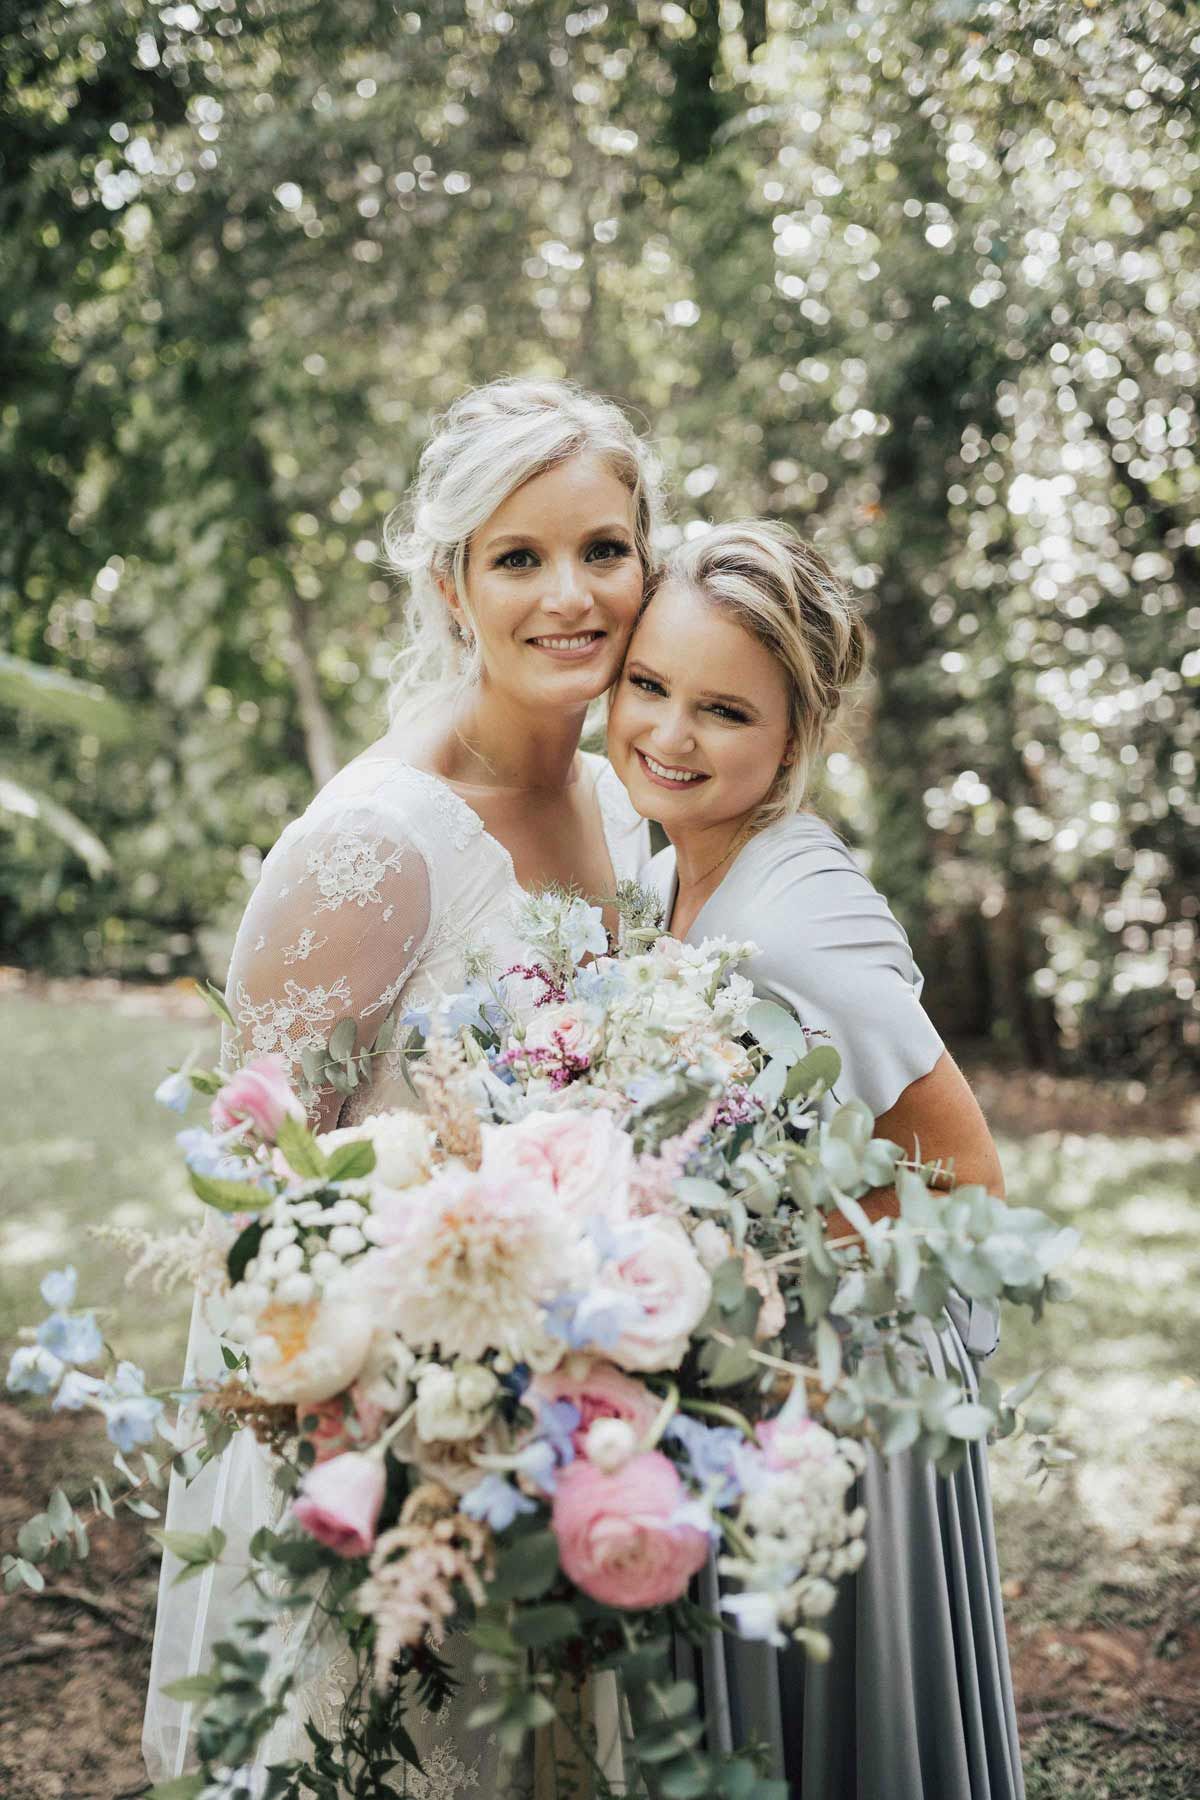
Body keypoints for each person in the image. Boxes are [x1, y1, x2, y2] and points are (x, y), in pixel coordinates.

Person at [143, 377, 663, 1796]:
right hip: (410, 1462)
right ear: (451, 586)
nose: (573, 594)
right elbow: (252, 1212)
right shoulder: (373, 848)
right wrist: (417, 1413)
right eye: (519, 557)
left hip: (579, 1442)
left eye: (604, 549)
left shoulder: (628, 799)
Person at [606, 519, 1024, 1800]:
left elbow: (974, 1193)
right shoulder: (647, 862)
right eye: (648, 687)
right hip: (725, 1363)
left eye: (724, 710)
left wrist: (780, 1283)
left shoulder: (805, 924)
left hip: (839, 1389)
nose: (670, 736)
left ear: (796, 738)